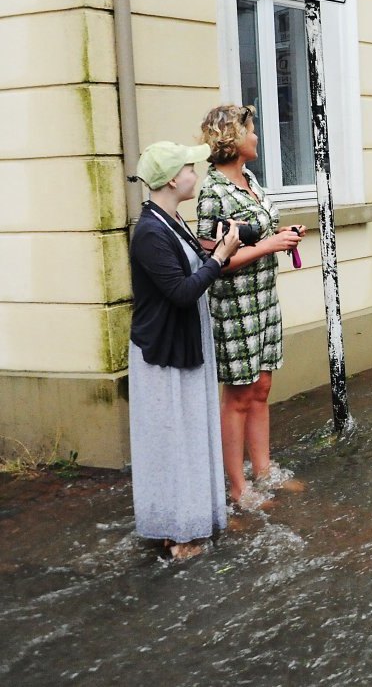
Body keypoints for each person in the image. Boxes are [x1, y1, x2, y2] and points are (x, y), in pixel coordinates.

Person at [127, 141, 242, 560]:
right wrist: (221, 258)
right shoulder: (151, 233)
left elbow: (190, 267)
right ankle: (175, 533)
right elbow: (179, 292)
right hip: (164, 351)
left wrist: (215, 249)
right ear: (174, 179)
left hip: (184, 342)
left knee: (189, 433)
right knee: (172, 438)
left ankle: (187, 521)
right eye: (191, 168)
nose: (197, 173)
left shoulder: (171, 219)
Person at [196, 104, 304, 507]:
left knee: (261, 387)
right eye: (251, 130)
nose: (256, 137)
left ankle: (264, 471)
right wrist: (270, 245)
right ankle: (240, 490)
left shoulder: (250, 179)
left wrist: (283, 234)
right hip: (235, 307)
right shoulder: (212, 193)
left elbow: (257, 234)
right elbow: (214, 262)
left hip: (263, 300)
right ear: (232, 138)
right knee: (238, 395)